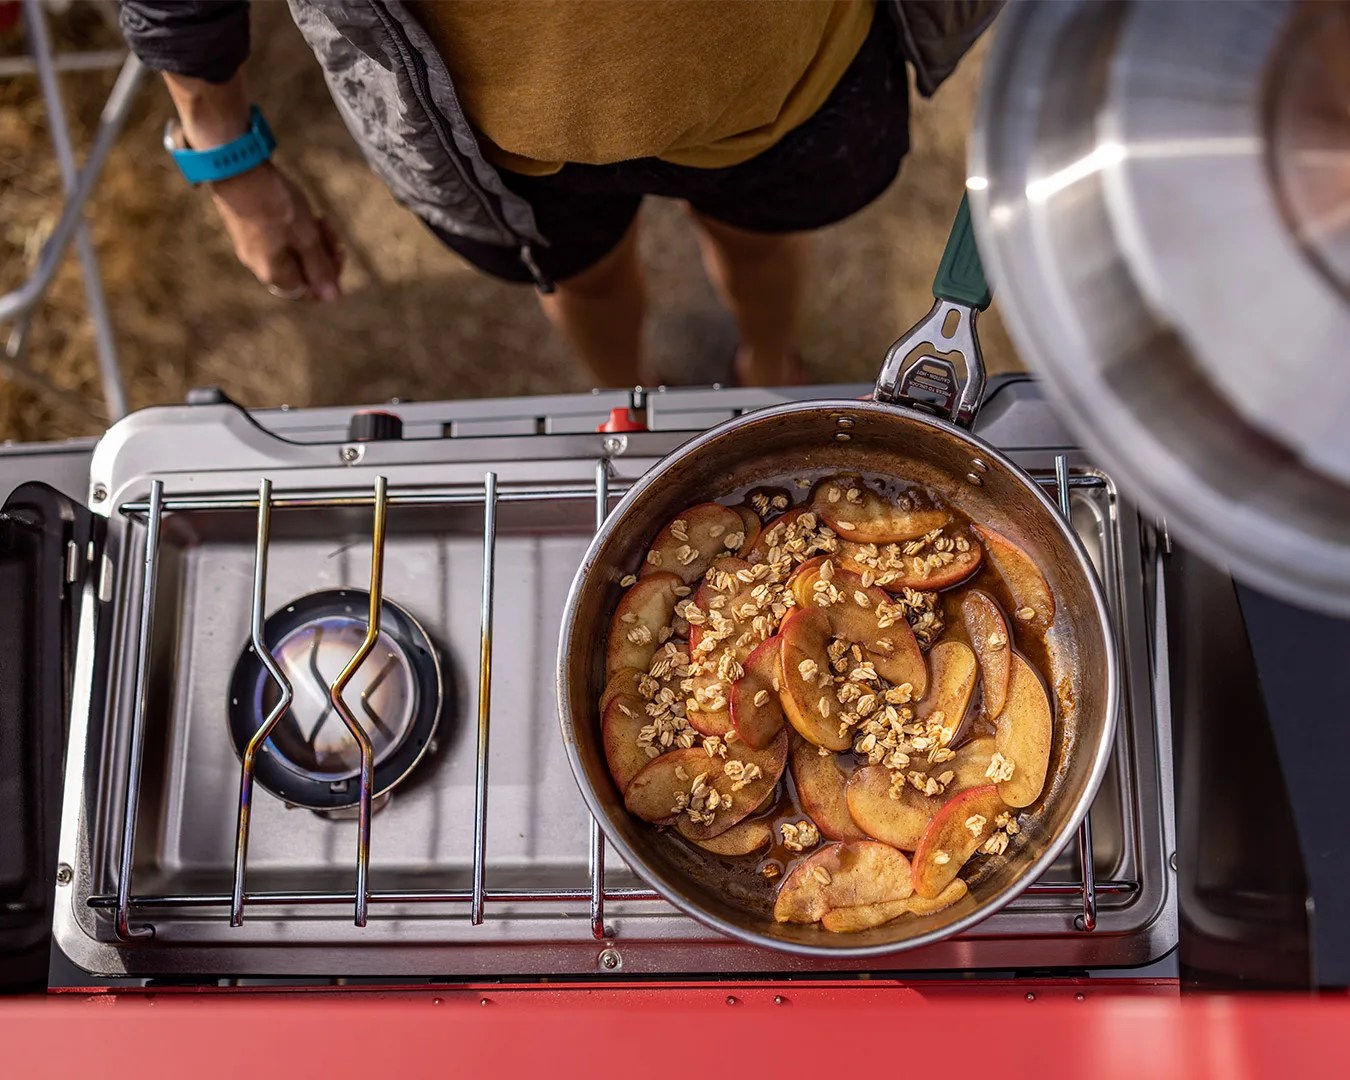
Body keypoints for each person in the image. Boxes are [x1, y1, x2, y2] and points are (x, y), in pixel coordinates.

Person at [119, 1, 997, 387]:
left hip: (789, 75)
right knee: (585, 281)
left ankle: (768, 366)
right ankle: (630, 397)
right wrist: (227, 161)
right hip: (502, 140)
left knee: (759, 239)